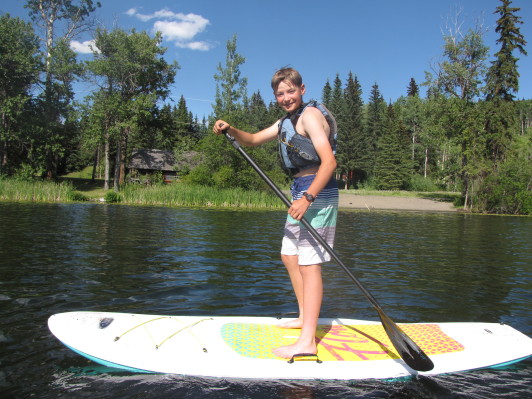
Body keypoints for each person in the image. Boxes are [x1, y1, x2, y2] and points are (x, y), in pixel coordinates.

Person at [213, 67, 338, 359]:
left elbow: (329, 163)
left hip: (317, 192)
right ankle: (306, 317)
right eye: (280, 93)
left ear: (302, 89)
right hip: (300, 191)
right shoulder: (285, 121)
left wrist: (308, 198)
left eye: (290, 91)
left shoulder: (310, 116)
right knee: (289, 254)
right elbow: (254, 139)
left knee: (310, 264)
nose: (286, 97)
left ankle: (308, 341)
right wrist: (230, 129)